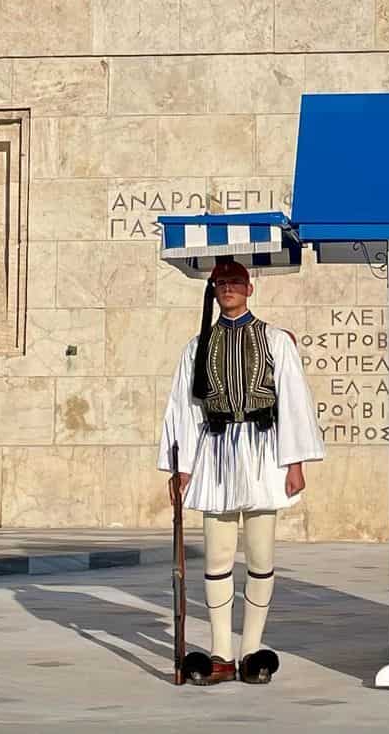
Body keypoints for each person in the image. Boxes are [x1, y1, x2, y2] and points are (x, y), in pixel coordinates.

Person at [159, 256, 324, 686]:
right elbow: (184, 409)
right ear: (213, 292)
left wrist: (295, 462)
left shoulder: (273, 340)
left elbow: (293, 402)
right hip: (215, 455)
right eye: (220, 283)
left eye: (235, 281)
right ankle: (220, 652)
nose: (227, 287)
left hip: (262, 453)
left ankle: (251, 650)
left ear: (249, 289)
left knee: (261, 555)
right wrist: (181, 468)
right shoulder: (197, 347)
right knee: (215, 557)